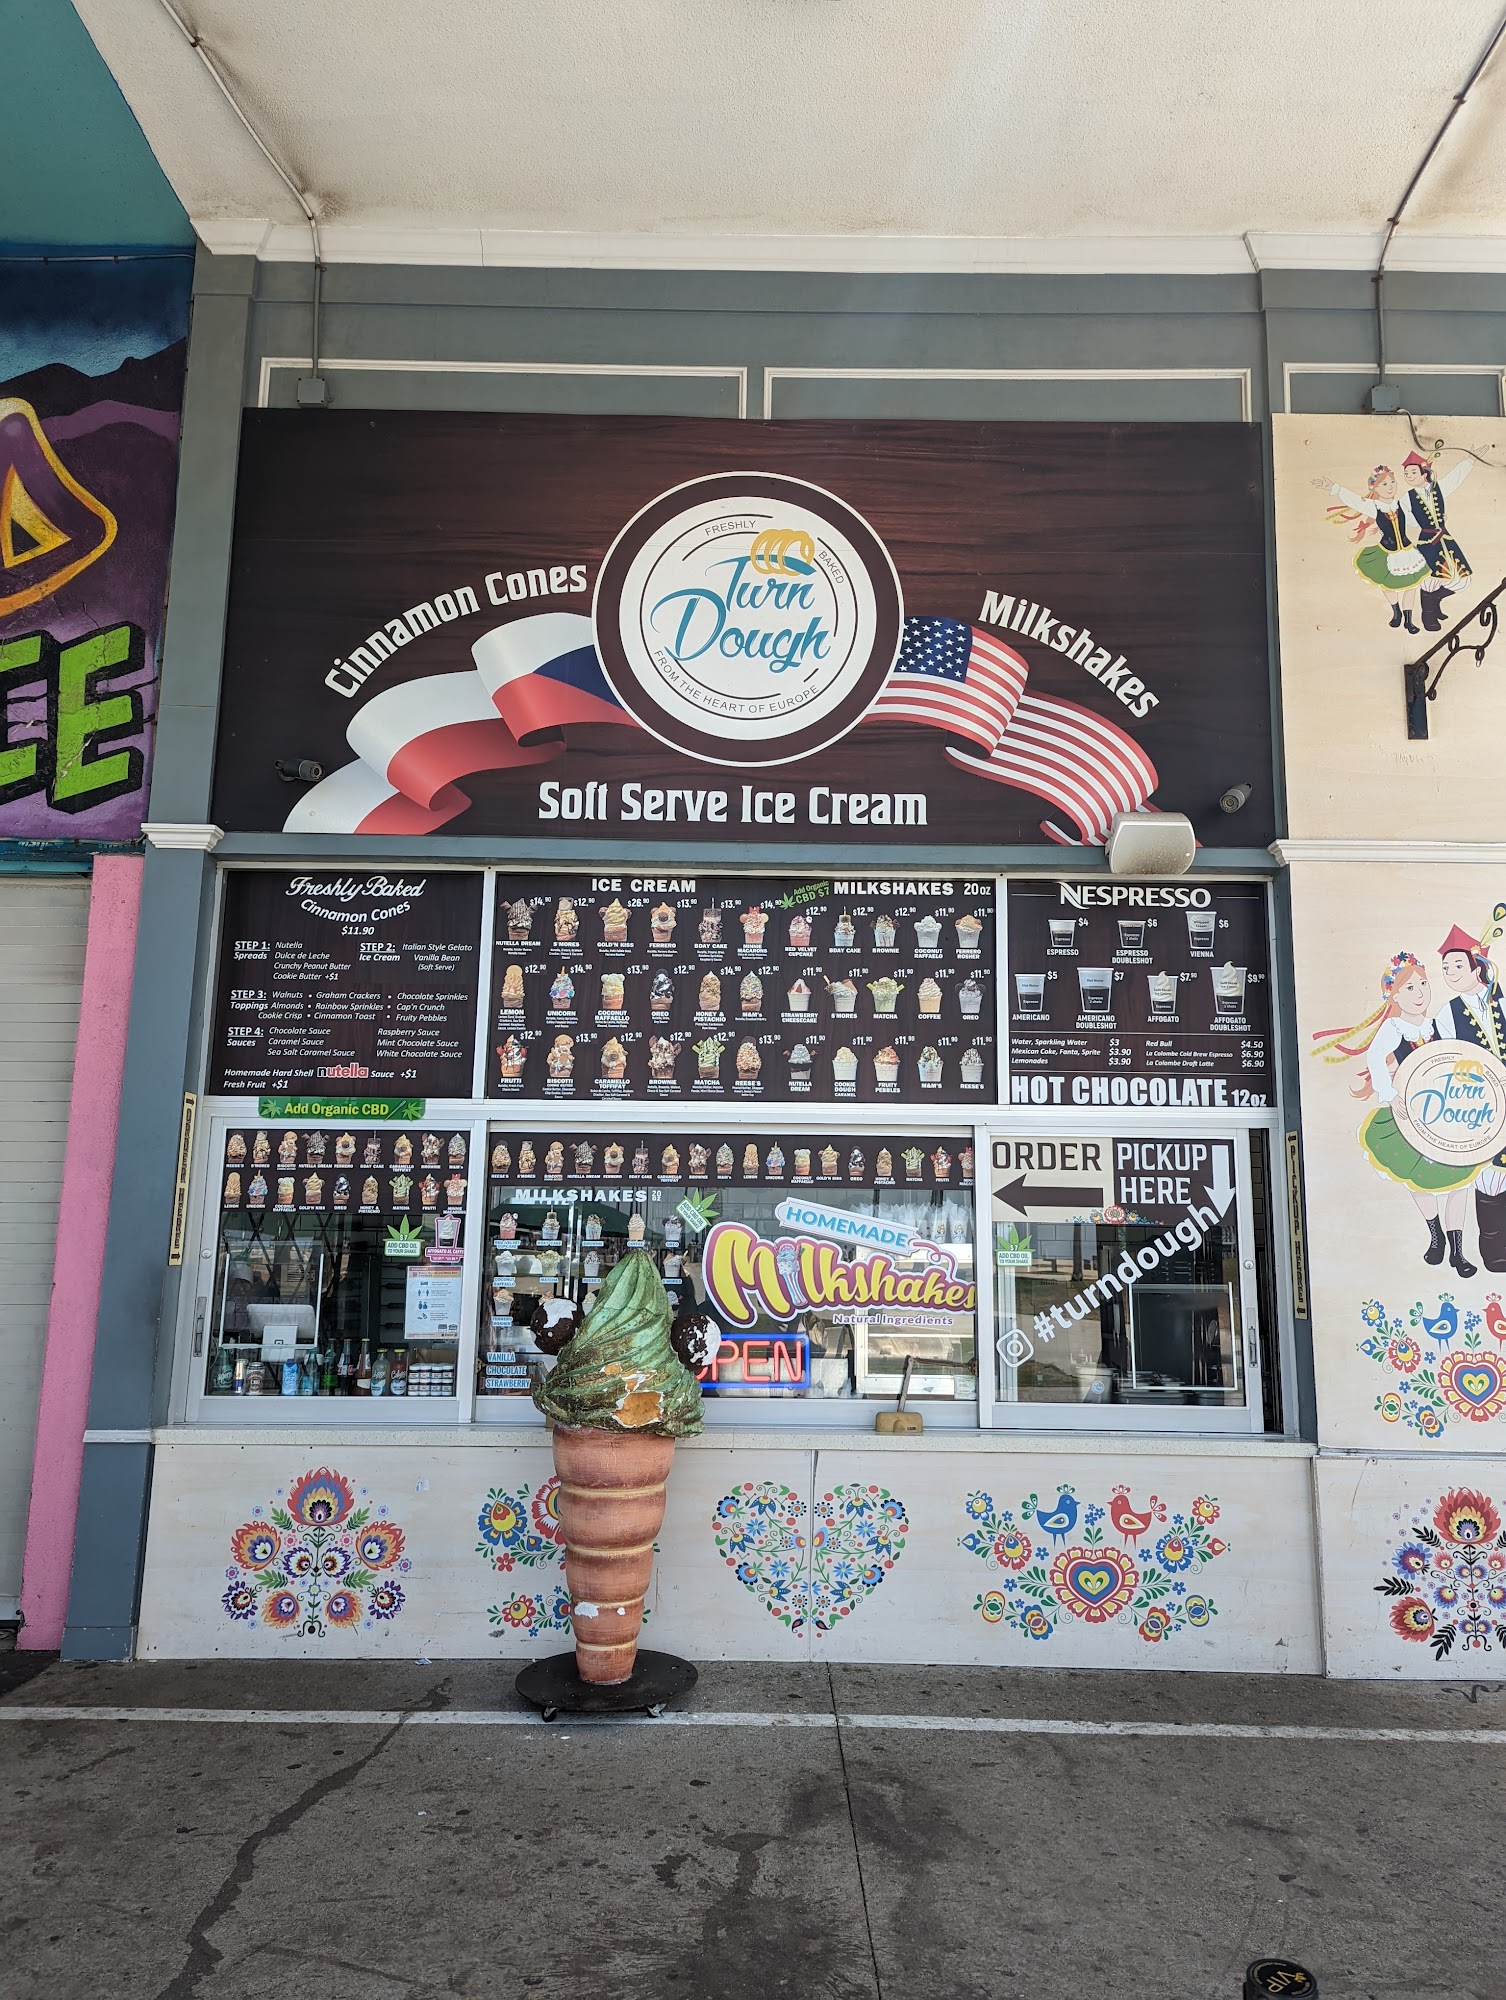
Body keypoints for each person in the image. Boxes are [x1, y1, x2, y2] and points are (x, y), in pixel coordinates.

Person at [1312, 951, 1476, 1274]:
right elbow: (1375, 1059)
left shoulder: (1439, 1023)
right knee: (1416, 1178)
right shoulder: (1395, 1029)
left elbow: (1457, 1055)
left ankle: (1458, 1251)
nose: (1420, 993)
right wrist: (1390, 1094)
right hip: (1413, 1114)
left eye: (1423, 984)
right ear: (1395, 996)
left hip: (1448, 1112)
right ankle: (1436, 1237)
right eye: (1410, 988)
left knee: (1461, 1182)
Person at [1434, 923, 1506, 1272]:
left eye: (1457, 965)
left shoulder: (1501, 1001)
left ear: (1477, 967)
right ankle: (1494, 1253)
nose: (1450, 972)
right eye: (1446, 968)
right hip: (1479, 1106)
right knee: (1490, 1179)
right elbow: (1445, 1062)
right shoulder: (1446, 1014)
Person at [1313, 465, 1431, 631]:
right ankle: (1396, 612)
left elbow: (1415, 519)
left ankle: (1409, 621)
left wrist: (1433, 521)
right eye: (1384, 484)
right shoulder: (1374, 506)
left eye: (1392, 482)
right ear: (1375, 488)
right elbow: (1354, 500)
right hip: (1387, 552)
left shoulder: (1402, 503)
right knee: (1386, 585)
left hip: (1408, 551)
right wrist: (1336, 488)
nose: (1390, 487)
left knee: (1412, 586)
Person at [1402, 450, 1475, 631]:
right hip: (1427, 541)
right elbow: (1404, 517)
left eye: (1413, 472)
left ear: (1424, 473)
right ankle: (1428, 617)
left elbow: (1455, 478)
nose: (1408, 476)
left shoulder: (1438, 487)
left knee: (1462, 577)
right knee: (1429, 579)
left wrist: (1470, 460)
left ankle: (1436, 600)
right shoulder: (1407, 497)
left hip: (1445, 538)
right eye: (1406, 473)